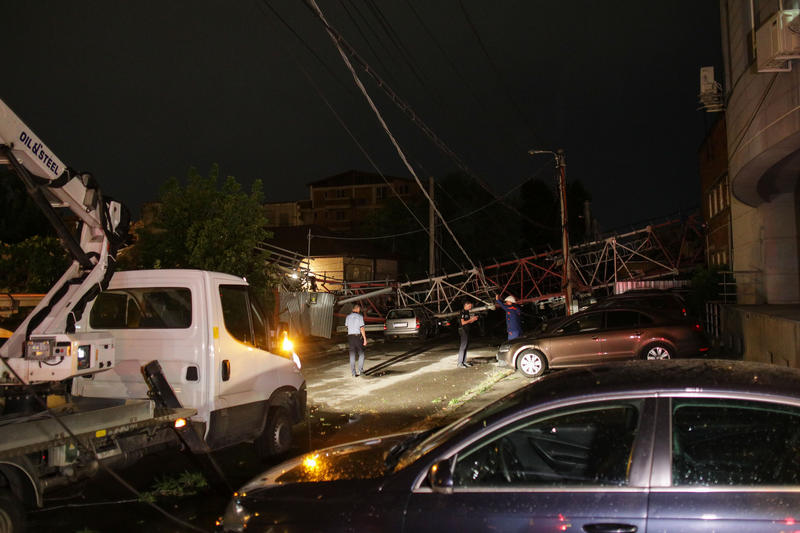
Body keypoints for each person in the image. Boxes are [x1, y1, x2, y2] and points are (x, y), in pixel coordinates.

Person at [345, 303, 367, 377]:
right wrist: (364, 339)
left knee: (352, 355)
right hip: (357, 337)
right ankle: (361, 370)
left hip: (350, 337)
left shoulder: (348, 317)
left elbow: (347, 327)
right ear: (357, 309)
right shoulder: (360, 317)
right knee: (361, 354)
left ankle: (353, 373)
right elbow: (362, 328)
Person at [457, 301, 479, 367]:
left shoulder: (467, 312)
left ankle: (464, 362)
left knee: (466, 346)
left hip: (466, 330)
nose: (470, 307)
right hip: (463, 330)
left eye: (470, 306)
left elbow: (468, 322)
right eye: (469, 306)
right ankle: (460, 363)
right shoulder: (462, 312)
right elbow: (463, 323)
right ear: (465, 305)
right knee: (463, 346)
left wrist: (473, 319)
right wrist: (471, 319)